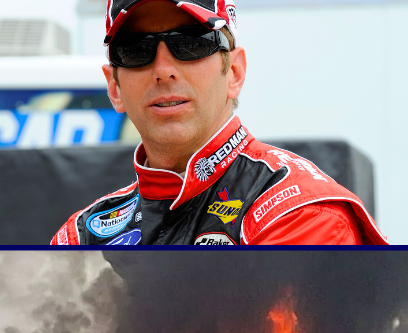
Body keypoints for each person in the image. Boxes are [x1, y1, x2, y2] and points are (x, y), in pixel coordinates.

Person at [51, 0, 388, 246]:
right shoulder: (79, 236)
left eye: (191, 43)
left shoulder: (297, 211)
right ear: (115, 87)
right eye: (137, 49)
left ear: (235, 73)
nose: (163, 70)